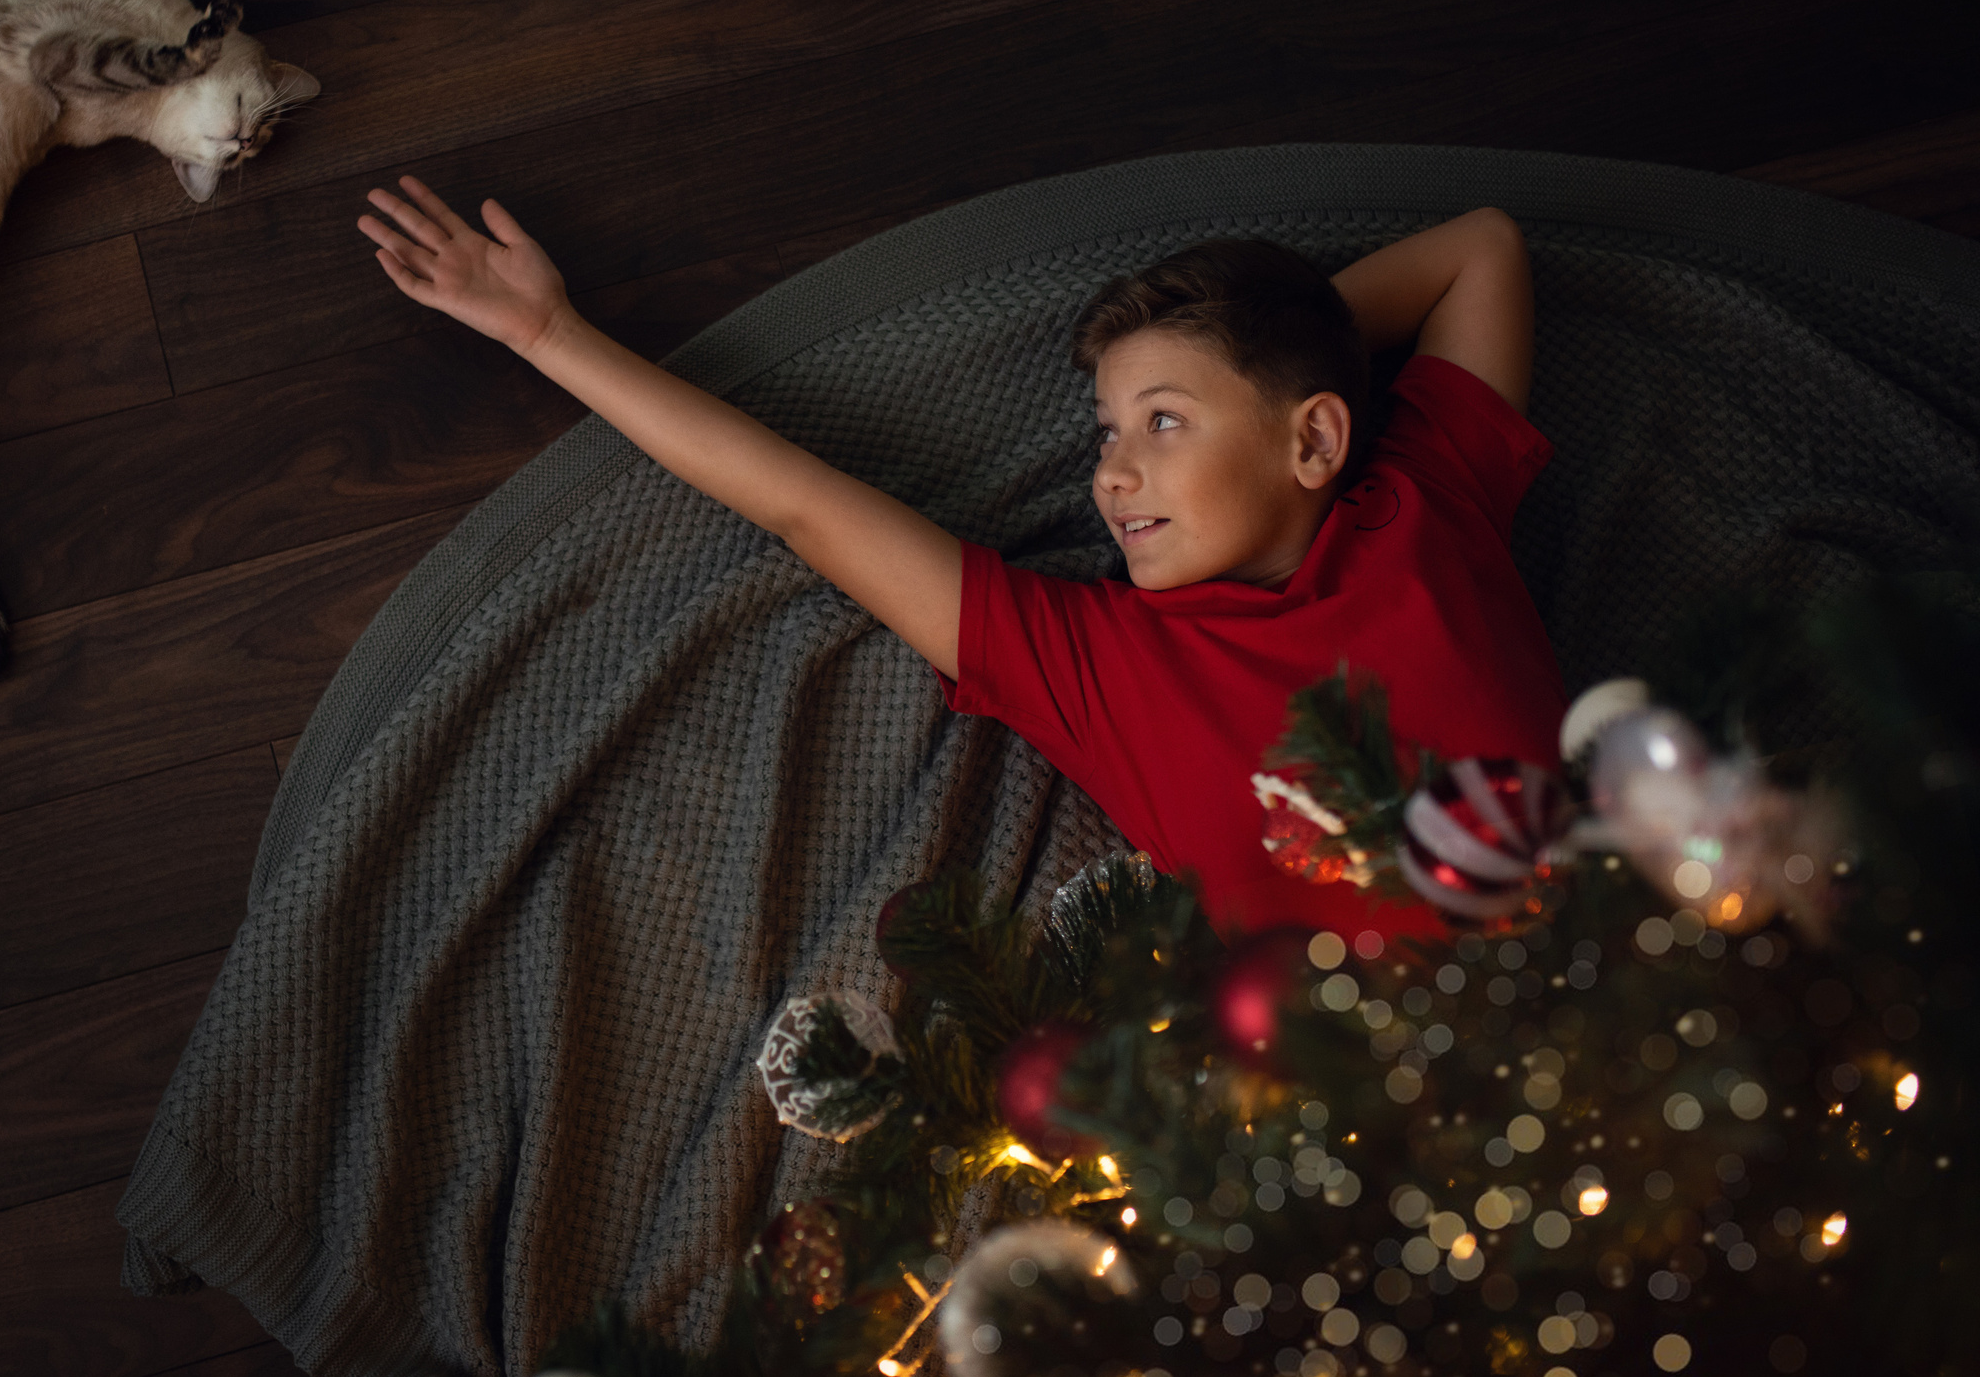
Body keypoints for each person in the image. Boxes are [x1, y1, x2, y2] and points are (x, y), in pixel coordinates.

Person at [359, 178, 1567, 938]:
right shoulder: (1098, 662)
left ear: (1317, 437)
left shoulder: (1420, 506)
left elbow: (1482, 246)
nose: (1109, 472)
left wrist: (1293, 371)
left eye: (1160, 421)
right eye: (1106, 430)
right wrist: (545, 331)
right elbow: (803, 507)